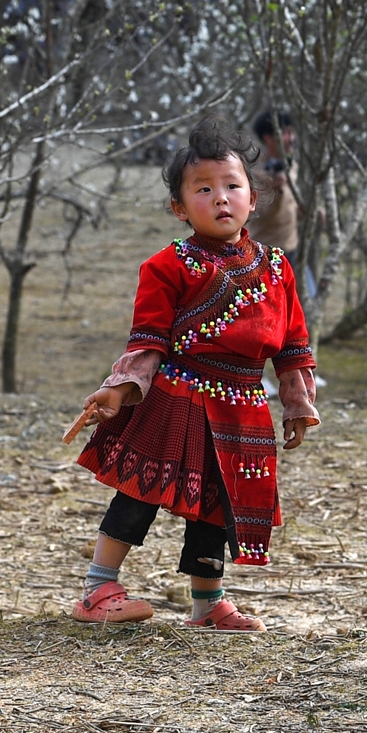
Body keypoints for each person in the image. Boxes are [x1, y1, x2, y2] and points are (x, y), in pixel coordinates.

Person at [71, 114, 319, 631]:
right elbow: (147, 341)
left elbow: (293, 344)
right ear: (180, 209)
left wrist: (297, 403)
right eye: (204, 189)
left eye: (233, 186)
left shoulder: (278, 268)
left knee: (217, 504)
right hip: (176, 398)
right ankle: (98, 589)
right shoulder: (166, 267)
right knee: (141, 490)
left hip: (244, 407)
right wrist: (120, 389)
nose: (221, 198)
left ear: (254, 197)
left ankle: (208, 604)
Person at [247, 111, 298, 265]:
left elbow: (293, 207)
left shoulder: (292, 167)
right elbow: (262, 215)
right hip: (265, 256)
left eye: (291, 132)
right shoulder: (254, 174)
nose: (291, 139)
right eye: (285, 133)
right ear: (268, 139)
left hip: (291, 251)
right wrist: (275, 189)